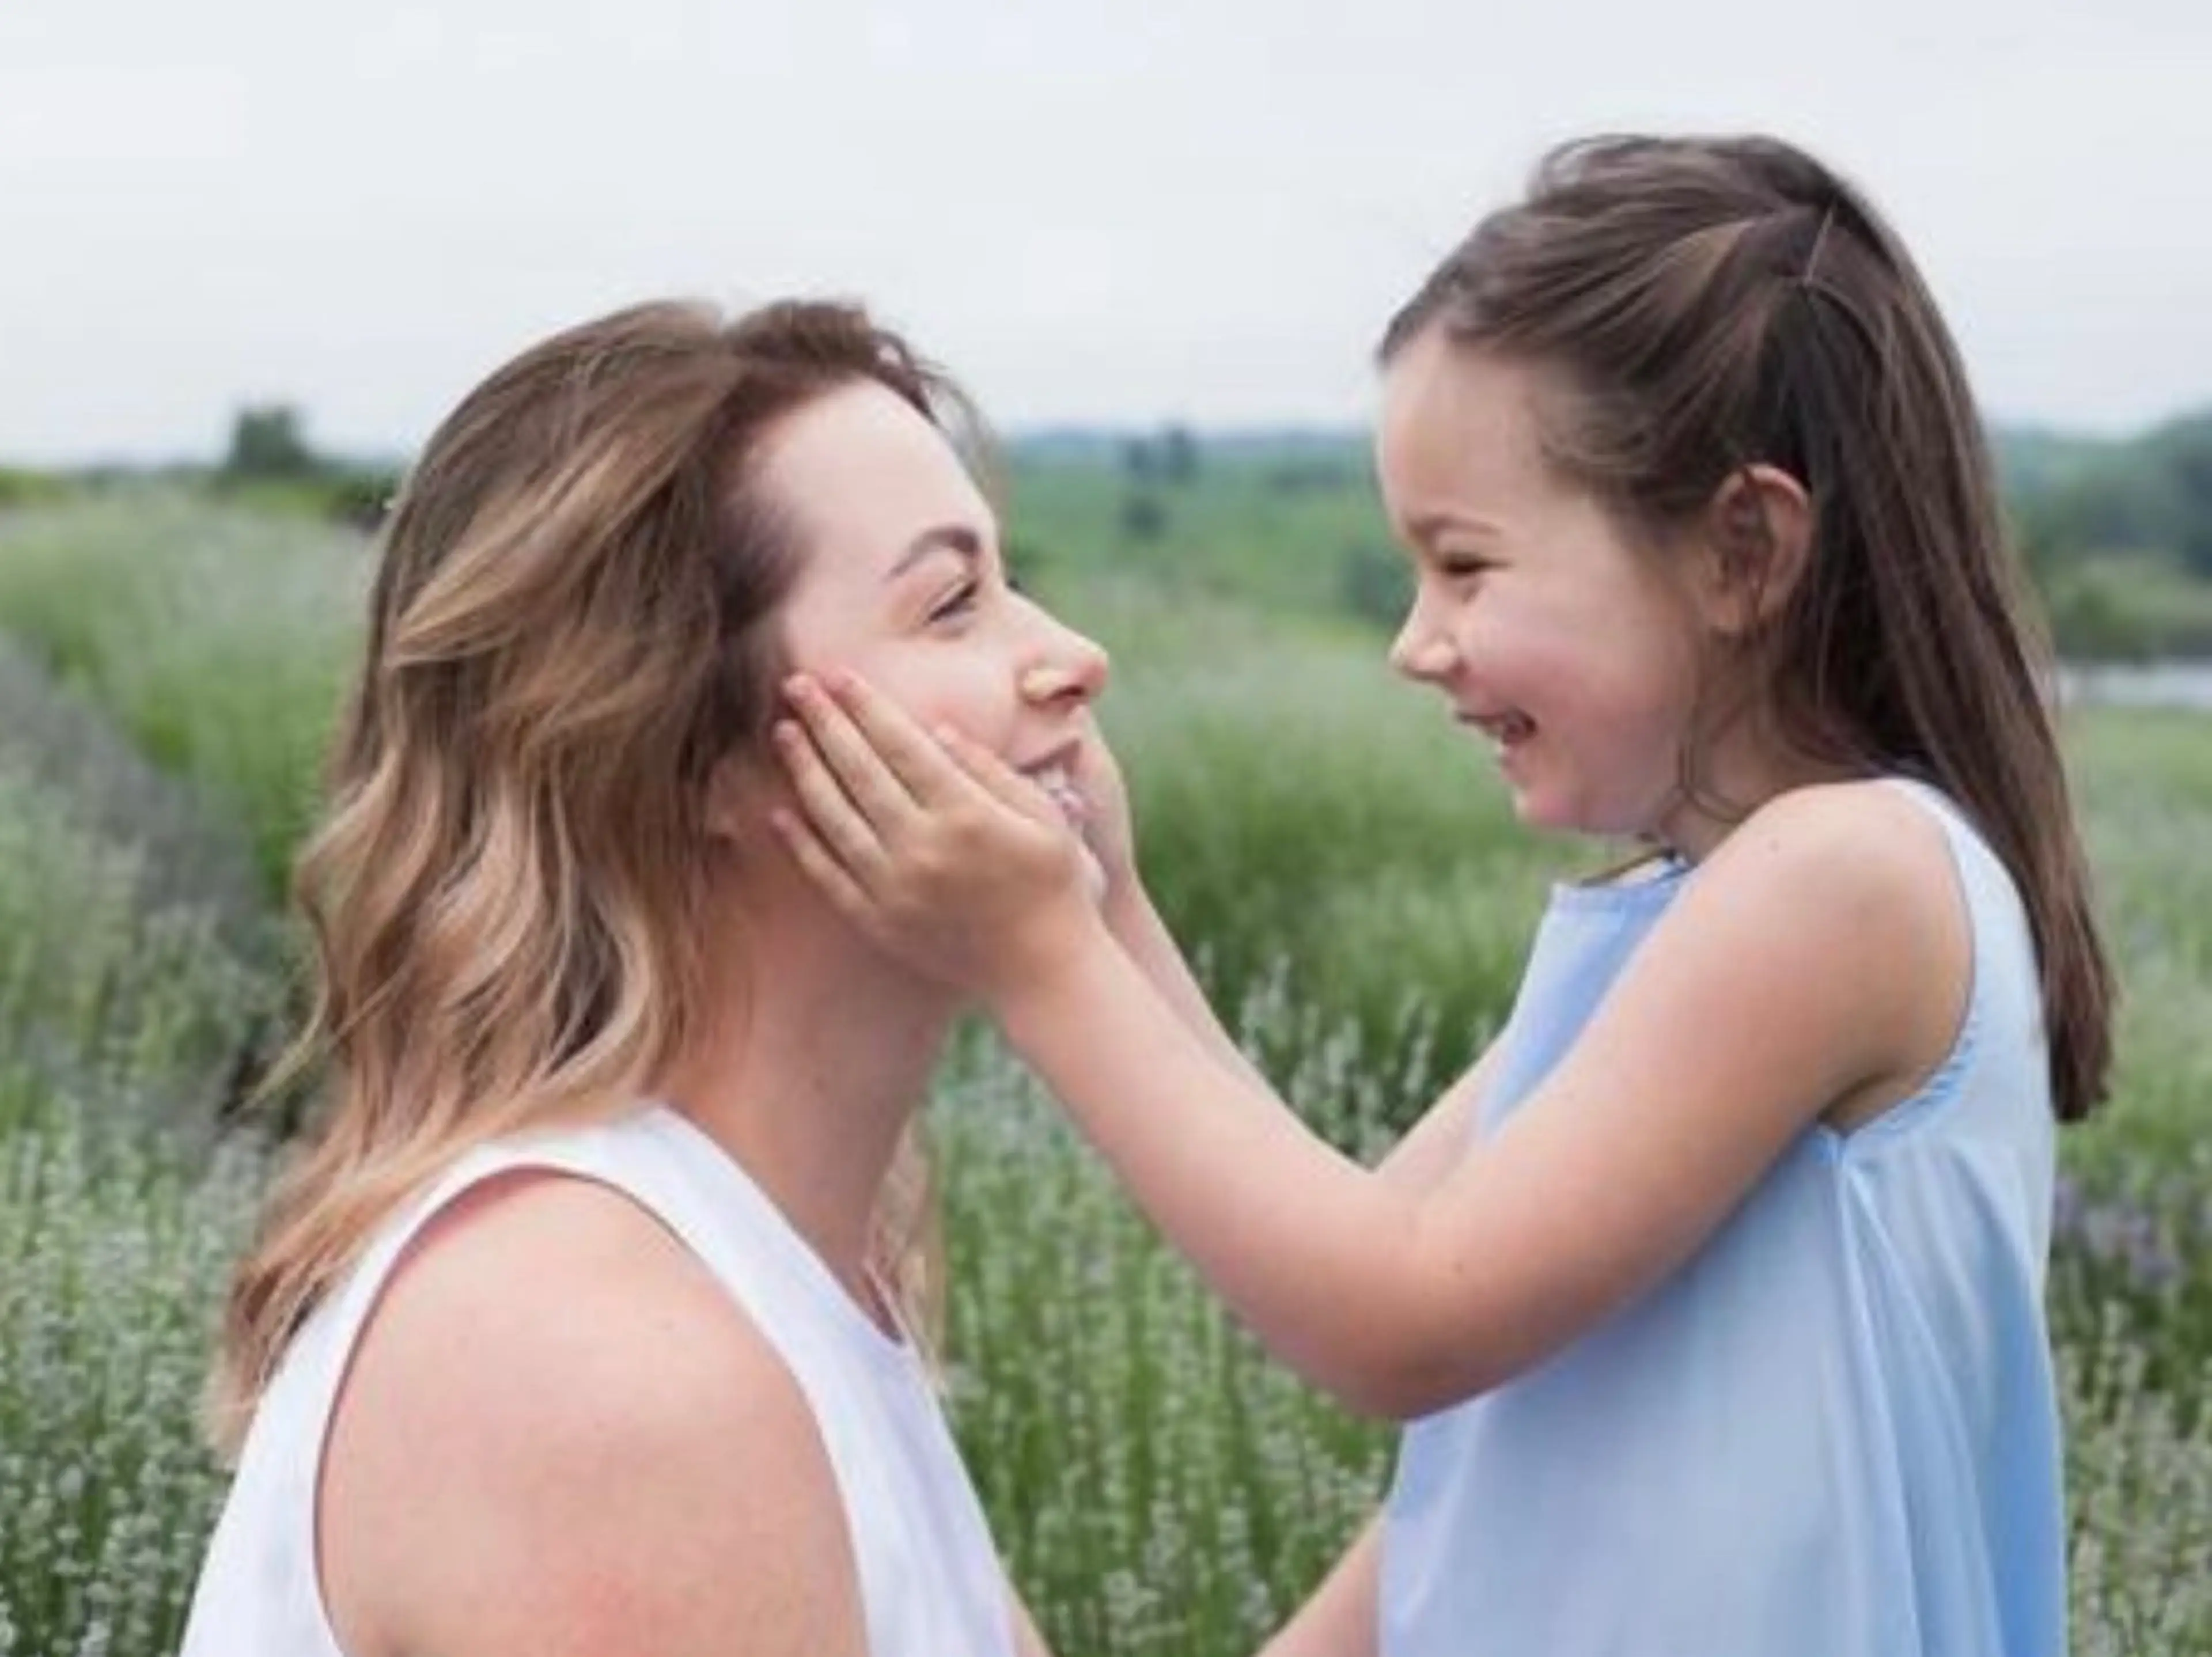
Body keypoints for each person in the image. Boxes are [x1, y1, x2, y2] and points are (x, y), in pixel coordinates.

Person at [769, 133, 2114, 1657]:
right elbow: (1383, 1251)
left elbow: (1399, 1321)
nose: (1419, 640)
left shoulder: (1849, 877)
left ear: (1744, 548)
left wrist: (1035, 956)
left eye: (1465, 568)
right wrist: (1110, 908)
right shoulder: (1705, 909)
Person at [177, 297, 1169, 1657]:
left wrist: (1482, 1453)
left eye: (1009, 580)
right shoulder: (604, 1364)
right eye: (951, 604)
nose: (1070, 656)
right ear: (699, 759)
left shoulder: (779, 1272)